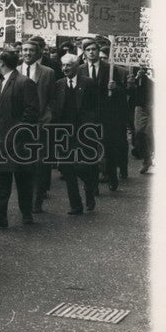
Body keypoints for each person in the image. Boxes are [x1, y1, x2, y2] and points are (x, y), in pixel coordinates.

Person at [0, 48, 39, 229]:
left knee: (23, 177)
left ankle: (26, 213)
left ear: (2, 62)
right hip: (2, 139)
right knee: (3, 176)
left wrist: (20, 132)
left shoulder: (24, 82)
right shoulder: (0, 83)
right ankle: (0, 213)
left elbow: (32, 111)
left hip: (19, 140)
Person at [78, 40, 129, 190]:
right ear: (85, 53)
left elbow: (121, 91)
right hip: (88, 115)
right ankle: (93, 184)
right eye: (88, 50)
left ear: (98, 51)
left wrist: (115, 88)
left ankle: (112, 177)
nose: (91, 52)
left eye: (94, 49)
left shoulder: (110, 69)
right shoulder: (80, 69)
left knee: (109, 148)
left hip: (107, 116)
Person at [53, 53, 99, 214]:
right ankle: (76, 205)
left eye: (68, 65)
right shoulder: (58, 84)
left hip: (83, 133)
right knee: (67, 169)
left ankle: (89, 188)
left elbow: (96, 107)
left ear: (77, 66)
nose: (65, 68)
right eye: (63, 65)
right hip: (64, 133)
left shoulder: (88, 83)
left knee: (82, 167)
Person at [18, 39, 55, 212]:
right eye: (24, 50)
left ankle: (37, 200)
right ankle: (25, 201)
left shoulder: (48, 72)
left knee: (40, 163)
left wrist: (47, 118)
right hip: (20, 124)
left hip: (41, 123)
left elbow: (52, 98)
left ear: (38, 52)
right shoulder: (15, 71)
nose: (27, 53)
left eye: (31, 50)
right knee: (24, 164)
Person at [127, 65, 154, 173]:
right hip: (142, 105)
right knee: (139, 132)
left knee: (152, 132)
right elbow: (131, 91)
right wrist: (135, 80)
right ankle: (147, 158)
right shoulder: (135, 66)